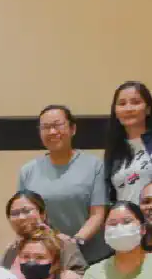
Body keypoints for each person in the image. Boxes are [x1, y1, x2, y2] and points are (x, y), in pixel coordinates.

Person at [19, 105, 109, 262]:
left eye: (58, 125)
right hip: (46, 257)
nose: (52, 132)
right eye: (46, 127)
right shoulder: (28, 171)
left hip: (91, 256)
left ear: (73, 129)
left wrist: (73, 244)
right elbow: (24, 217)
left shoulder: (94, 166)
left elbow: (98, 214)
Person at [103, 81, 152, 208]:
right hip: (126, 218)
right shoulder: (115, 146)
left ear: (148, 109)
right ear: (115, 111)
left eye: (135, 102)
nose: (128, 109)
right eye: (122, 104)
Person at [0, 191, 86, 276]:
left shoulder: (63, 243)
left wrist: (73, 275)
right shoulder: (12, 249)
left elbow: (80, 274)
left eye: (26, 211)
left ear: (42, 214)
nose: (21, 217)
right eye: (14, 213)